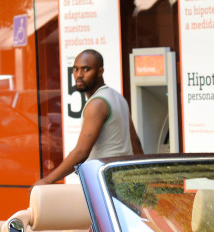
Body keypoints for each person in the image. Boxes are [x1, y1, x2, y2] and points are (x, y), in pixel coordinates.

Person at [36, 48, 142, 185]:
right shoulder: (117, 97)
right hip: (123, 180)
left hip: (107, 183)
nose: (79, 75)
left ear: (100, 72)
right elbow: (135, 143)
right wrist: (141, 177)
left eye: (86, 69)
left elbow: (81, 152)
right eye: (75, 69)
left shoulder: (97, 104)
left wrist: (48, 180)